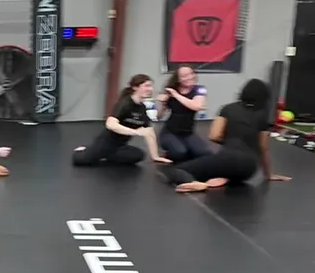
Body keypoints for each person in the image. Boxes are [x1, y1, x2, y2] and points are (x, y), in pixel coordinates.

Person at [161, 78, 291, 192]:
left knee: (179, 170)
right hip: (249, 169)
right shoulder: (263, 115)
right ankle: (225, 178)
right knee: (225, 168)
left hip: (229, 158)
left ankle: (194, 183)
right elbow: (263, 147)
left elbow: (214, 135)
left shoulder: (228, 109)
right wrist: (269, 174)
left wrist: (229, 141)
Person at [72, 74, 170, 168]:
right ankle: (87, 150)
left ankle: (104, 154)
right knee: (81, 160)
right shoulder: (125, 103)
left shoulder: (142, 108)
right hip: (106, 142)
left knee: (138, 155)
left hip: (120, 146)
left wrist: (155, 156)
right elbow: (110, 124)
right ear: (135, 87)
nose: (150, 89)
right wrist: (135, 132)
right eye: (146, 86)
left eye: (151, 86)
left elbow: (149, 133)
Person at [157, 65, 210, 163]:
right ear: (178, 79)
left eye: (191, 74)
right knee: (180, 153)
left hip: (188, 132)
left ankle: (185, 148)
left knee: (203, 153)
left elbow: (196, 106)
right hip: (170, 132)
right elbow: (158, 116)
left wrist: (176, 95)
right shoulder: (171, 90)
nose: (189, 77)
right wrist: (163, 104)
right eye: (184, 76)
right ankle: (171, 149)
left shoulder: (199, 89)